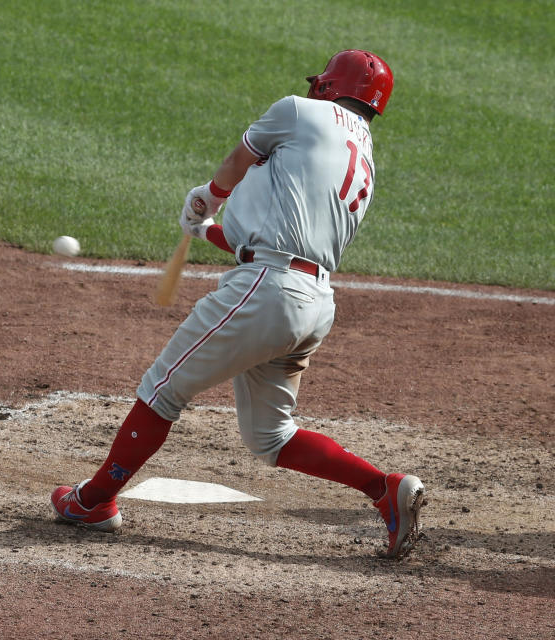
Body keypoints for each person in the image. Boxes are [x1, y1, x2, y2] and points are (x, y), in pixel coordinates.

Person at [50, 50, 426, 559]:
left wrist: (209, 194)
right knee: (271, 436)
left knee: (162, 389)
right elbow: (271, 236)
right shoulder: (361, 154)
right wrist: (207, 229)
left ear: (329, 85)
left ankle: (93, 501)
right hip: (313, 303)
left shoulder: (298, 110)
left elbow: (236, 163)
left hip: (269, 292)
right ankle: (384, 489)